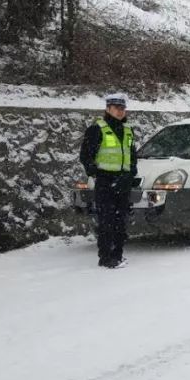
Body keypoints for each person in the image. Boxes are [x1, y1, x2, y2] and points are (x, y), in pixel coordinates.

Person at [79, 93, 138, 268]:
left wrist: (131, 172)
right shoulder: (97, 129)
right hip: (106, 182)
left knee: (121, 221)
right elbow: (86, 155)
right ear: (108, 109)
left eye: (122, 108)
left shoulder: (128, 130)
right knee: (107, 221)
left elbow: (132, 155)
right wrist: (97, 174)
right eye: (117, 108)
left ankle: (118, 255)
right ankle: (106, 257)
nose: (120, 112)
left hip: (124, 181)